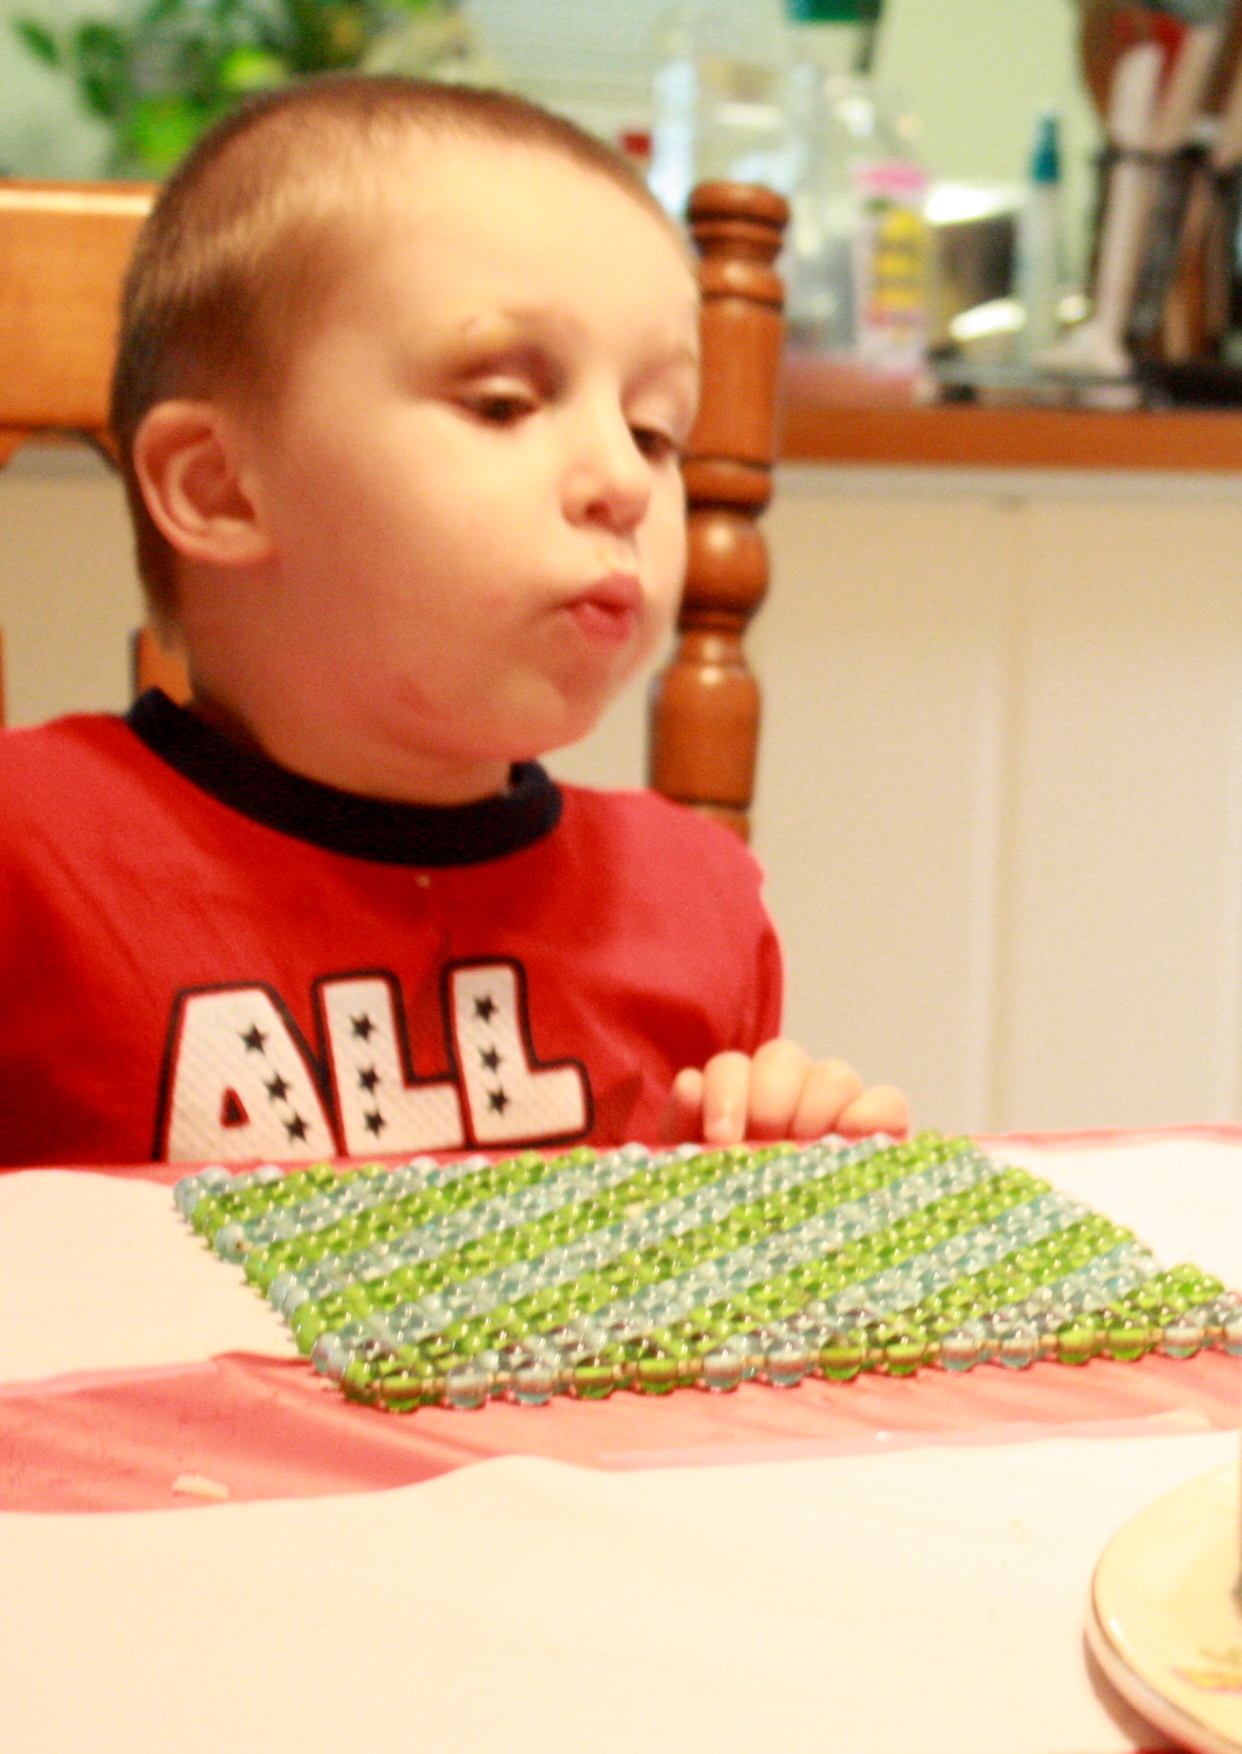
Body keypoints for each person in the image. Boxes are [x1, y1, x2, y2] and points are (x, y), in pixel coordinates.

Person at [0, 74, 905, 1167]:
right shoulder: (31, 860)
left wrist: (744, 1182)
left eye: (657, 430)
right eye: (504, 403)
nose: (620, 480)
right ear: (221, 489)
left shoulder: (691, 898)